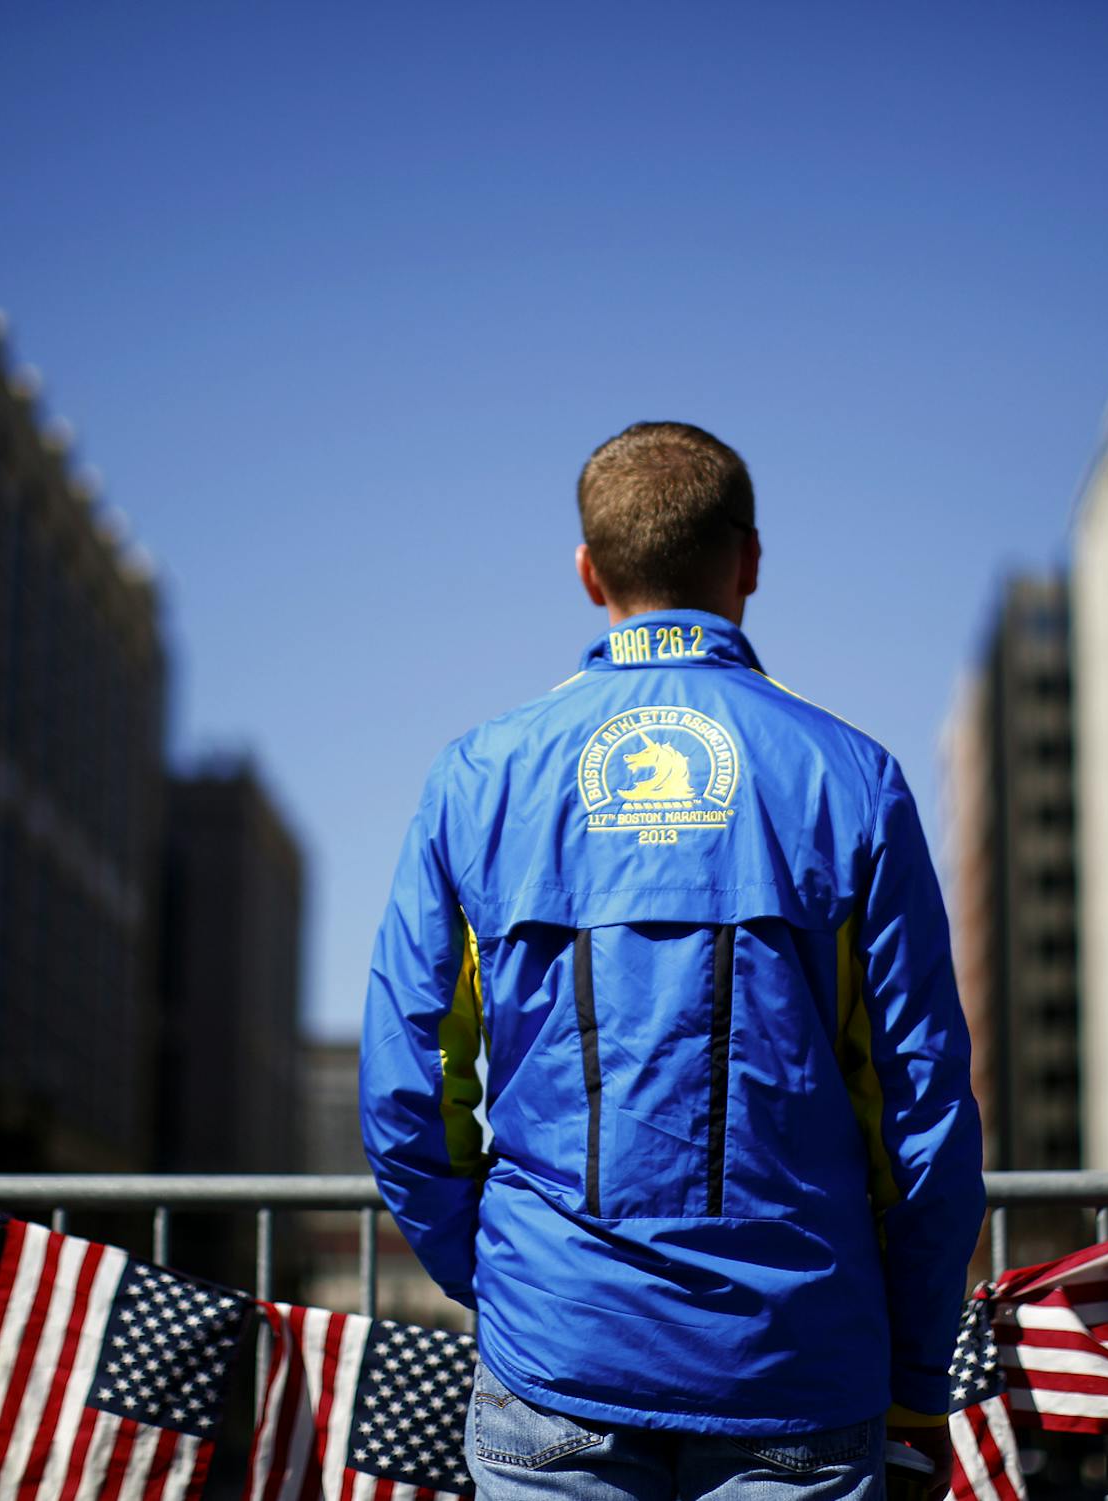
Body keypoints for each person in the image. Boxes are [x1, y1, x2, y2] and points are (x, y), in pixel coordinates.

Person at [360, 421, 983, 1501]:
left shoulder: (479, 776)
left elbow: (407, 1089)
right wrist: (920, 1373)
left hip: (556, 1357)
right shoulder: (851, 777)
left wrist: (510, 1276)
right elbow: (921, 1111)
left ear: (590, 571)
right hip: (799, 1364)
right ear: (749, 562)